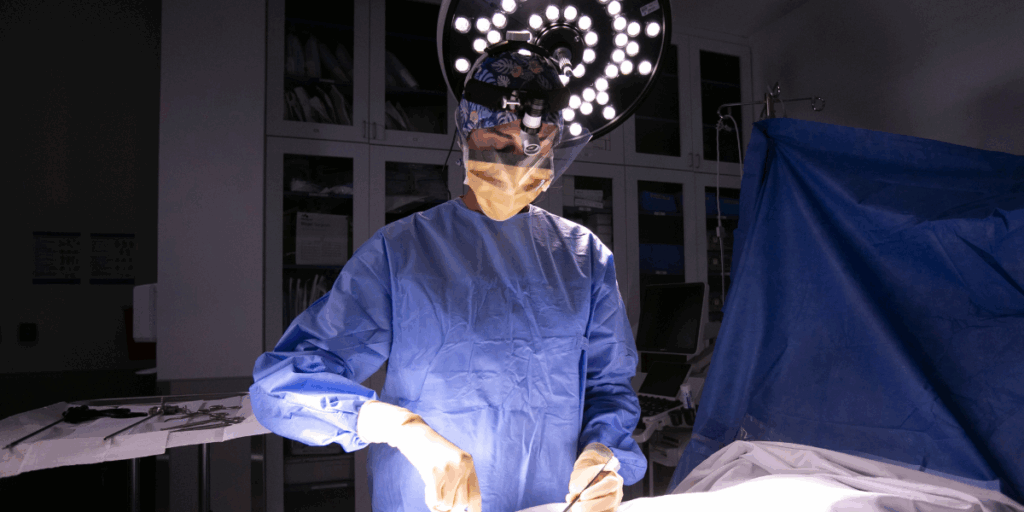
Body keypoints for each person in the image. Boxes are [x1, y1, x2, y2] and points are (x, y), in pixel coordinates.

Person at [250, 51, 646, 512]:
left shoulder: (583, 258)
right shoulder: (401, 252)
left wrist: (603, 454)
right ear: (465, 134)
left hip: (551, 503)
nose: (517, 165)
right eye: (499, 142)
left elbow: (608, 387)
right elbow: (283, 383)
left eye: (535, 147)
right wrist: (401, 429)